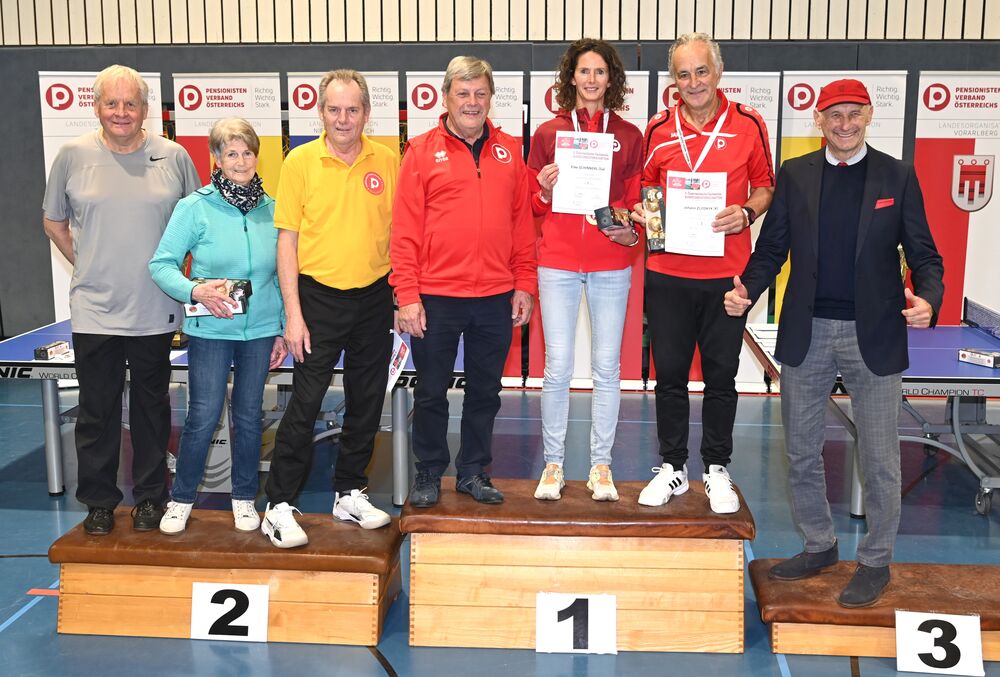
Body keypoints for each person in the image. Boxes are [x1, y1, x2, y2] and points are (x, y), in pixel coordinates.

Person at [724, 78, 944, 607]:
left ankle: (876, 560)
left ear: (869, 116)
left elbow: (925, 255)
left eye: (853, 114)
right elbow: (772, 247)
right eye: (834, 115)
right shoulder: (796, 174)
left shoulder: (897, 175)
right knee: (801, 451)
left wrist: (930, 300)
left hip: (875, 334)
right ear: (818, 120)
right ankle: (819, 545)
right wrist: (748, 289)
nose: (844, 125)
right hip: (809, 331)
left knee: (880, 458)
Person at [42, 65, 200, 535]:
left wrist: (183, 281)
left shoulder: (174, 157)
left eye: (130, 103)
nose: (121, 112)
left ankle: (151, 498)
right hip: (94, 311)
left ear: (145, 108)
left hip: (156, 308)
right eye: (111, 103)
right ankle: (98, 503)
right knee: (97, 411)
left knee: (153, 410)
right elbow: (53, 221)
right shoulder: (71, 156)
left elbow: (198, 224)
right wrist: (86, 262)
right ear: (96, 107)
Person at [631, 33, 774, 514]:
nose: (693, 82)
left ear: (718, 72)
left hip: (726, 277)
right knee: (669, 375)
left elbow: (766, 187)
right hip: (667, 272)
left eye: (701, 71)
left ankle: (716, 467)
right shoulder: (657, 128)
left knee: (721, 377)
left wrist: (746, 213)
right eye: (683, 74)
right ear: (673, 80)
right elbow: (647, 189)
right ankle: (672, 467)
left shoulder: (749, 123)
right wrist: (646, 213)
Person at [259, 70, 398, 548]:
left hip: (374, 298)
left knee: (366, 401)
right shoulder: (299, 161)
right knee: (305, 402)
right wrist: (293, 314)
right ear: (320, 113)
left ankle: (349, 493)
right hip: (317, 299)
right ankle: (278, 504)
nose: (343, 119)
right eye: (334, 109)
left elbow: (399, 234)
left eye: (352, 109)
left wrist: (401, 295)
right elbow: (287, 242)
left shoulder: (388, 160)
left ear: (366, 113)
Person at [392, 56, 537, 508]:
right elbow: (404, 229)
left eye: (480, 93)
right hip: (435, 296)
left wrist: (524, 282)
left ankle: (474, 471)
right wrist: (407, 294)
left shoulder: (510, 151)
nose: (472, 102)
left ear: (490, 98)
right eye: (463, 93)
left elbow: (521, 223)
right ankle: (429, 471)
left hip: (495, 296)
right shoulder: (420, 151)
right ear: (446, 97)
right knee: (431, 392)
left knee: (485, 393)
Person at [149, 118, 287, 534]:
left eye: (247, 152)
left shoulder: (273, 209)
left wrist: (281, 328)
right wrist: (195, 291)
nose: (241, 161)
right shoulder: (194, 207)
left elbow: (282, 276)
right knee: (203, 416)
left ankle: (244, 498)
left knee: (248, 416)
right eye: (231, 153)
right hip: (210, 332)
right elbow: (161, 265)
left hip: (259, 333)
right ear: (217, 158)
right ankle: (181, 499)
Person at [528, 39, 643, 502]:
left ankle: (601, 466)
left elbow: (634, 201)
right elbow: (533, 204)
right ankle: (553, 465)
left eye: (599, 71)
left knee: (607, 367)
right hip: (557, 259)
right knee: (557, 367)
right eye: (583, 71)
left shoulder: (629, 135)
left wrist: (627, 224)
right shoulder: (547, 133)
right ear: (570, 77)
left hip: (610, 261)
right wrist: (543, 189)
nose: (591, 79)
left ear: (610, 79)